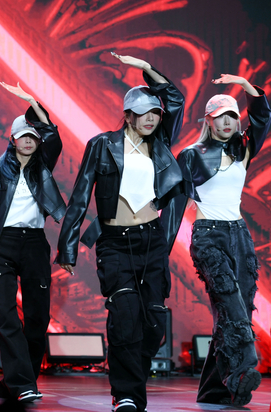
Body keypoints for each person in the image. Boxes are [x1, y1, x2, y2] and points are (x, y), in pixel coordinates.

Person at [56, 53, 184, 412]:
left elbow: (175, 99)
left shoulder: (160, 143)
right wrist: (67, 247)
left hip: (152, 241)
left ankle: (131, 387)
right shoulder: (102, 144)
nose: (151, 118)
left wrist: (147, 68)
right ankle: (126, 394)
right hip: (115, 243)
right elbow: (80, 196)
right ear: (128, 115)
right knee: (125, 318)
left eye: (155, 112)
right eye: (143, 113)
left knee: (153, 323)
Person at [165, 75, 270, 406]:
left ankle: (214, 389)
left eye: (232, 116)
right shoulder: (191, 155)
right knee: (231, 306)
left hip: (240, 236)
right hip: (209, 237)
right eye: (220, 116)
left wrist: (244, 83)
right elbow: (174, 205)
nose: (227, 122)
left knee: (237, 311)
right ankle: (242, 372)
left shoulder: (243, 149)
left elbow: (263, 117)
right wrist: (159, 255)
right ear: (208, 121)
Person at [0, 82, 66, 403]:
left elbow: (54, 136)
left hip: (35, 244)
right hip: (2, 245)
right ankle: (23, 384)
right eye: (22, 136)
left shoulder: (43, 168)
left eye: (33, 137)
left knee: (38, 318)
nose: (28, 141)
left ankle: (18, 381)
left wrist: (32, 102)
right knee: (7, 315)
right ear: (12, 139)